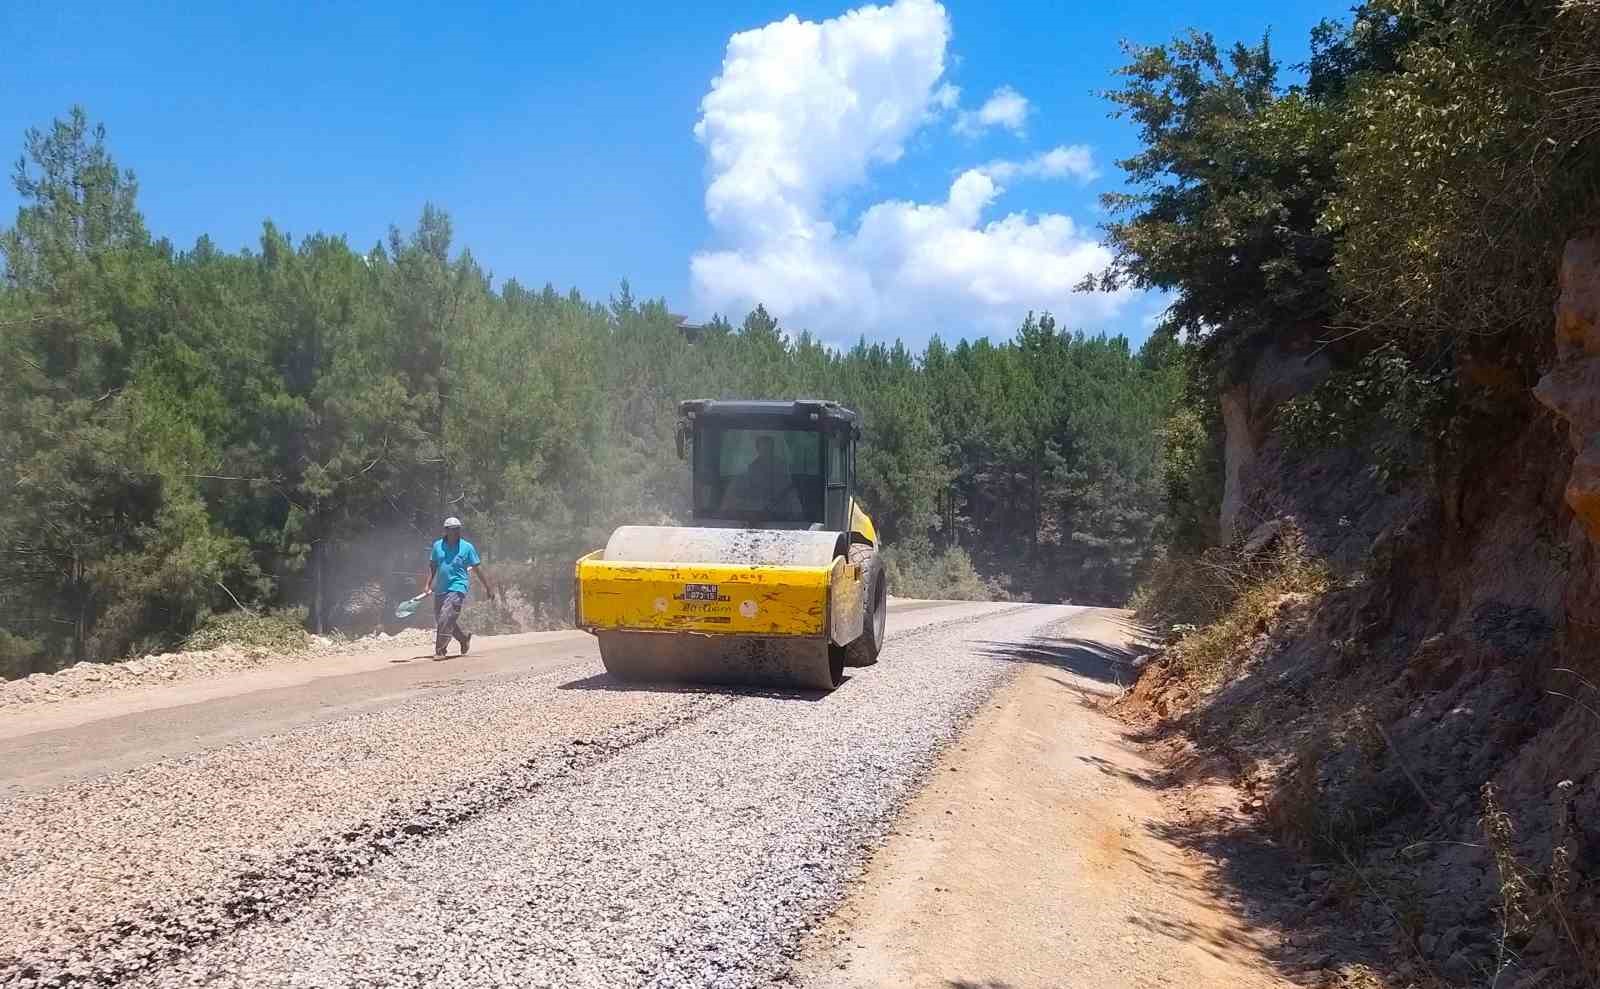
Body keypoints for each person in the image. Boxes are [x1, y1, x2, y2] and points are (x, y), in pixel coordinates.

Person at [422, 517, 497, 658]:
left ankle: (440, 650)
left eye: (458, 530)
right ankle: (463, 639)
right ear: (446, 531)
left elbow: (477, 568)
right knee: (443, 619)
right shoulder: (437, 546)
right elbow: (433, 566)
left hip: (458, 586)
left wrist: (488, 587)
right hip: (441, 588)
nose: (456, 532)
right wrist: (428, 584)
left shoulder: (467, 547)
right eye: (452, 530)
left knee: (446, 615)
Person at [721, 434, 801, 515]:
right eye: (764, 449)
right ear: (758, 450)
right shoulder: (750, 472)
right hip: (755, 516)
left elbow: (792, 495)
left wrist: (798, 514)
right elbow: (736, 500)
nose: (766, 451)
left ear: (772, 449)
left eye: (768, 448)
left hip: (782, 517)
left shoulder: (782, 468)